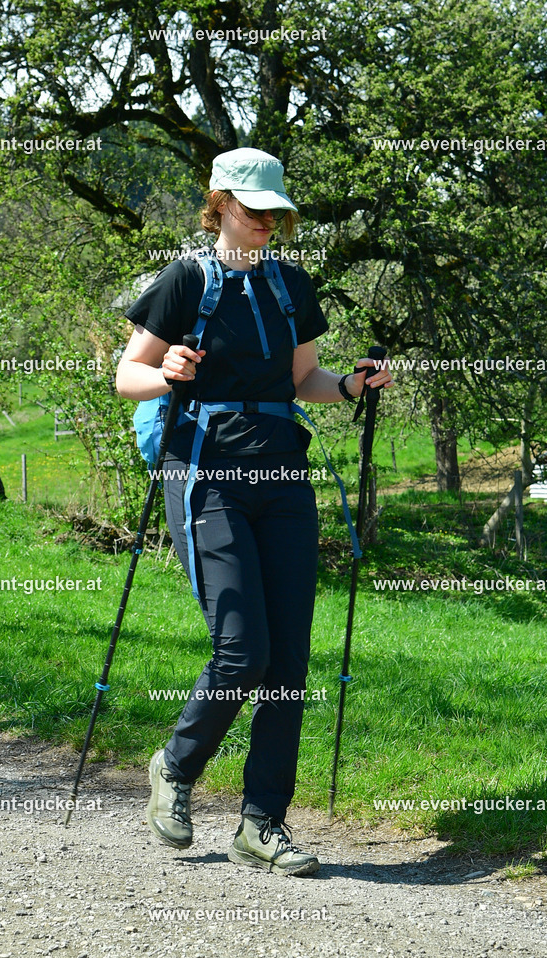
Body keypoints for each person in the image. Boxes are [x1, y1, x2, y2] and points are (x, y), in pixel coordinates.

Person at [117, 147, 393, 876]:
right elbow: (126, 375)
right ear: (219, 204)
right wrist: (165, 371)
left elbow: (306, 380)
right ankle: (175, 769)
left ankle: (260, 825)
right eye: (252, 208)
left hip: (281, 479)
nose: (266, 221)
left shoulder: (292, 286)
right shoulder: (184, 279)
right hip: (203, 473)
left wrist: (354, 386)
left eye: (275, 211)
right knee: (243, 651)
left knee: (288, 665)